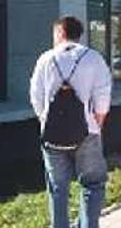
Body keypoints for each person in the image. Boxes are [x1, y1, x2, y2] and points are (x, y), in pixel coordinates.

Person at [30, 16, 113, 228]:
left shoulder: (45, 59)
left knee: (58, 189)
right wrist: (97, 123)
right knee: (92, 185)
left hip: (52, 137)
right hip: (88, 133)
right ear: (80, 35)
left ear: (60, 33)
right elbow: (103, 96)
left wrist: (46, 121)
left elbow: (36, 97)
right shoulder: (94, 58)